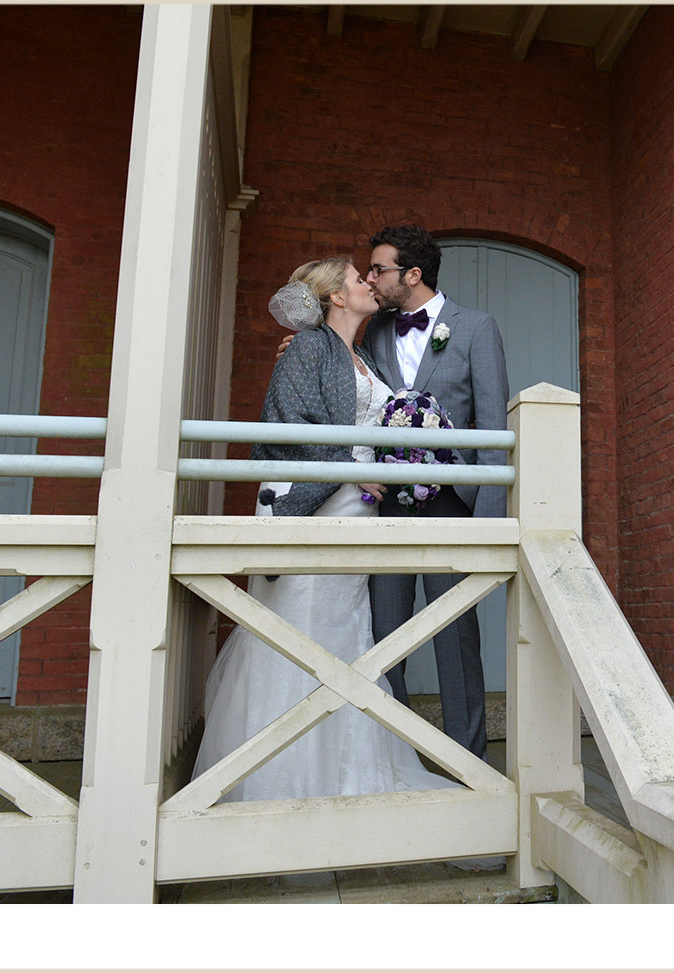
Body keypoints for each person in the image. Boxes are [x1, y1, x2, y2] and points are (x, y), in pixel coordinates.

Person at [192, 258, 460, 802]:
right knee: (297, 631)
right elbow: (289, 423)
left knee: (346, 636)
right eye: (358, 277)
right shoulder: (310, 348)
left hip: (358, 513)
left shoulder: (360, 356)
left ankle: (351, 777)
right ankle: (281, 781)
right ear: (336, 296)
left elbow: (376, 424)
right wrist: (354, 469)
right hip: (317, 510)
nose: (367, 282)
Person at [280, 225, 509, 760]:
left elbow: (495, 429)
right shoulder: (374, 329)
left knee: (455, 638)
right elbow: (338, 360)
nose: (372, 278)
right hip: (379, 503)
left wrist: (489, 525)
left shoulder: (476, 328)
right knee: (383, 635)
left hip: (452, 505)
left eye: (380, 269)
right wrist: (304, 345)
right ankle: (393, 754)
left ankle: (466, 763)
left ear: (413, 274)